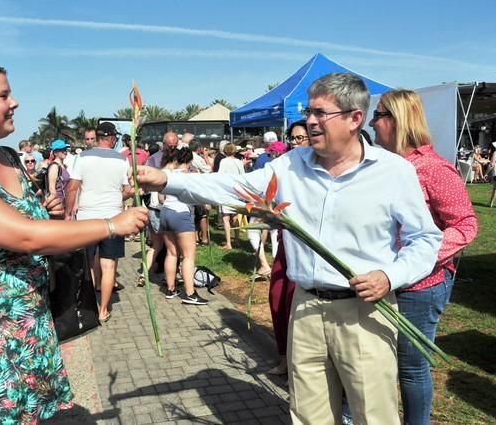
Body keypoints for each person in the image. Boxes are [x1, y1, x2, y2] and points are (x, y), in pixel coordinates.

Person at [134, 72, 442, 424]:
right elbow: (235, 187)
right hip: (306, 307)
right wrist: (167, 179)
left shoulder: (393, 171)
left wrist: (390, 276)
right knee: (309, 414)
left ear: (355, 118)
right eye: (308, 111)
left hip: (364, 311)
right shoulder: (290, 166)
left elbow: (426, 239)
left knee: (374, 413)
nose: (309, 121)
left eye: (320, 113)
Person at [0, 61, 147, 423]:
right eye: (4, 95)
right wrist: (110, 225)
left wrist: (52, 217)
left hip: (25, 321)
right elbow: (24, 236)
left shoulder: (8, 159)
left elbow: (29, 228)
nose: (16, 103)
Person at [370, 89, 478, 425]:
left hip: (420, 285)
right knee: (379, 362)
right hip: (381, 283)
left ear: (397, 119)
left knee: (412, 368)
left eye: (378, 115)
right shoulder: (382, 166)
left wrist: (417, 259)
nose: (372, 123)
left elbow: (465, 225)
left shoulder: (431, 169)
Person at [65, 122, 135, 322]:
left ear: (97, 137)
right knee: (108, 265)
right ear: (112, 138)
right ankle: (103, 309)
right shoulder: (122, 160)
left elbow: (72, 187)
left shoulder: (82, 157)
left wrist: (68, 214)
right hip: (113, 218)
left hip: (87, 217)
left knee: (87, 264)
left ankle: (88, 305)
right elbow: (127, 189)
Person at [266, 120, 310, 376]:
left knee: (295, 304)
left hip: (307, 248)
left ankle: (298, 366)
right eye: (293, 138)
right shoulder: (284, 167)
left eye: (301, 138)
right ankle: (283, 359)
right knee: (277, 299)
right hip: (286, 243)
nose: (296, 143)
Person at [158, 148, 207, 305]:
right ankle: (190, 293)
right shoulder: (191, 176)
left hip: (166, 211)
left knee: (172, 253)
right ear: (190, 162)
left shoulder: (169, 175)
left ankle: (170, 289)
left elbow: (160, 197)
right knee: (188, 256)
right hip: (181, 213)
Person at [217, 143, 244, 250]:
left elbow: (220, 175)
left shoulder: (224, 161)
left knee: (226, 217)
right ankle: (236, 239)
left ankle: (229, 243)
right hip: (237, 190)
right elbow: (243, 175)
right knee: (235, 216)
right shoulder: (239, 162)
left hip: (226, 190)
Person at [47, 139, 71, 205]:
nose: (65, 152)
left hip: (65, 202)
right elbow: (52, 189)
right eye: (62, 150)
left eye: (65, 149)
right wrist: (57, 205)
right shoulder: (54, 167)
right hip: (59, 204)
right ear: (55, 153)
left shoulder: (63, 166)